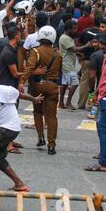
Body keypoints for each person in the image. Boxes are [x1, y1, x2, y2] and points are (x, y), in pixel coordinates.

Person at [19, 26, 62, 155]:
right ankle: (51, 145)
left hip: (38, 84)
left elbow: (30, 67)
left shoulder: (36, 51)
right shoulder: (58, 54)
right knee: (52, 116)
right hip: (53, 85)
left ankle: (41, 138)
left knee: (38, 112)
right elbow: (60, 71)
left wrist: (22, 81)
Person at [85, 32, 106, 172]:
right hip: (103, 95)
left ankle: (103, 162)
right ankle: (104, 155)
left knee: (103, 129)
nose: (103, 47)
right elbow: (103, 79)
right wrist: (96, 92)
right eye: (102, 44)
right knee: (102, 129)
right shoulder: (105, 57)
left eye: (105, 44)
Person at [59, 20, 91, 110]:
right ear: (69, 28)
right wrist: (86, 45)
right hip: (67, 64)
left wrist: (78, 54)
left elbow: (70, 50)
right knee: (75, 83)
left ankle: (61, 102)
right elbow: (74, 48)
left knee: (64, 84)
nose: (76, 30)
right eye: (74, 29)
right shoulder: (65, 38)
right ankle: (68, 102)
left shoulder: (68, 37)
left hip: (67, 63)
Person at [77, 26, 100, 110]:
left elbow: (79, 44)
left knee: (85, 83)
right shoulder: (104, 33)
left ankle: (81, 104)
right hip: (101, 60)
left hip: (86, 60)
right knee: (99, 82)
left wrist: (80, 55)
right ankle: (93, 104)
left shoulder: (86, 31)